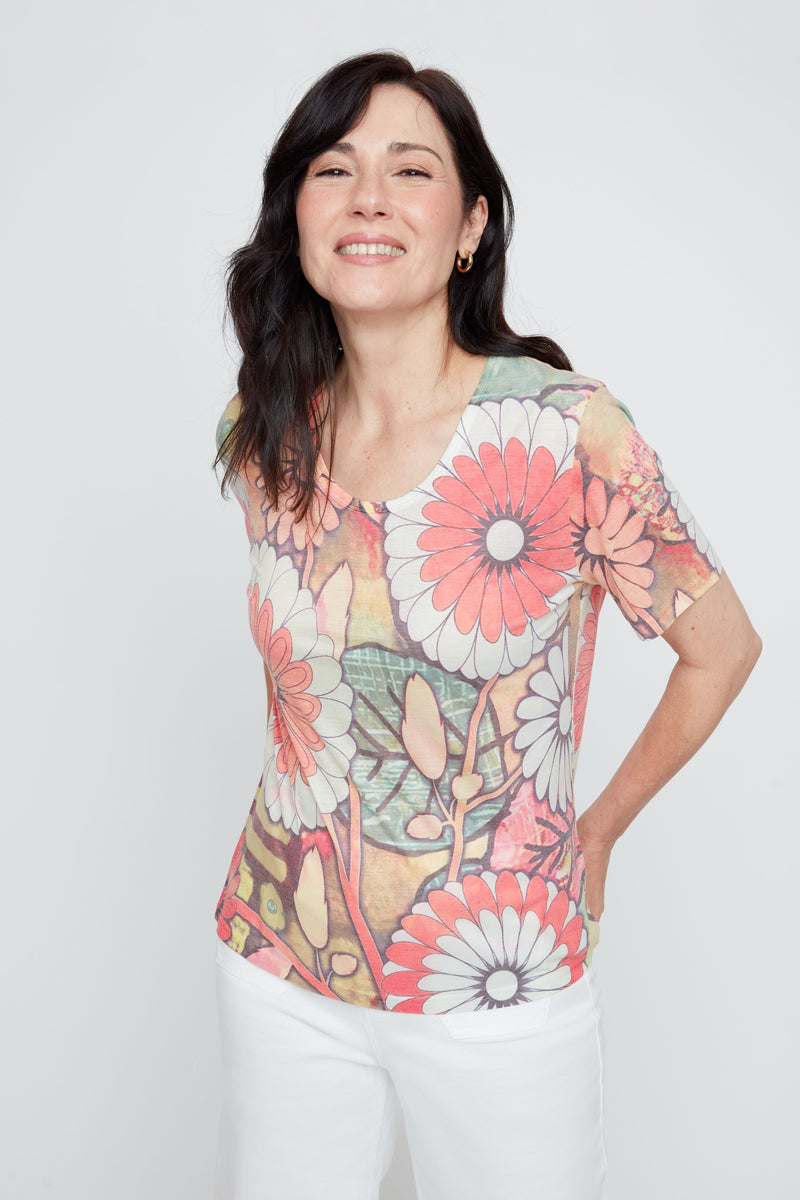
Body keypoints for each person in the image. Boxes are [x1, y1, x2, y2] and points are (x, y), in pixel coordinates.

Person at [210, 50, 761, 1200]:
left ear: (466, 226)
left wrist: (596, 829)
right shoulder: (269, 431)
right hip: (280, 954)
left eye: (409, 170)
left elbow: (722, 648)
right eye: (332, 168)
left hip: (493, 988)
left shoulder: (564, 431)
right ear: (297, 219)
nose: (367, 197)